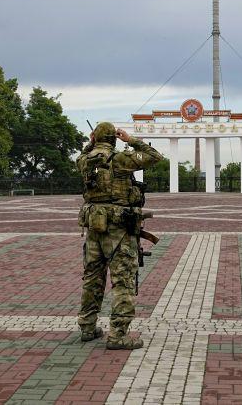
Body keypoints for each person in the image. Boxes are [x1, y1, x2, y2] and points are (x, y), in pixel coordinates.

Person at [76, 122, 165, 349]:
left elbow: (83, 156)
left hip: (94, 227)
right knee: (123, 281)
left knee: (92, 279)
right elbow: (155, 156)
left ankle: (87, 326)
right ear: (114, 138)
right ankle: (118, 335)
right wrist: (130, 140)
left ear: (96, 137)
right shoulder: (119, 159)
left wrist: (90, 143)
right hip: (119, 230)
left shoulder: (85, 160)